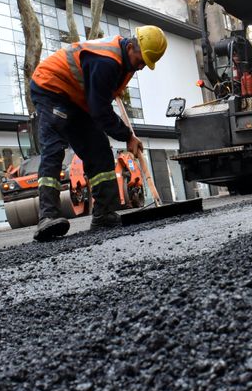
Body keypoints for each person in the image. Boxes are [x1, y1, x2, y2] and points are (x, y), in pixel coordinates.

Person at [28, 25, 167, 241]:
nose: (141, 66)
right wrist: (127, 136)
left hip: (78, 99)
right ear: (130, 46)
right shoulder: (106, 61)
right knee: (54, 148)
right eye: (141, 60)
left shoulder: (125, 63)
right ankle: (47, 217)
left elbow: (100, 101)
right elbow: (100, 111)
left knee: (100, 150)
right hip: (51, 88)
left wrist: (125, 134)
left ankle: (104, 214)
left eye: (145, 64)